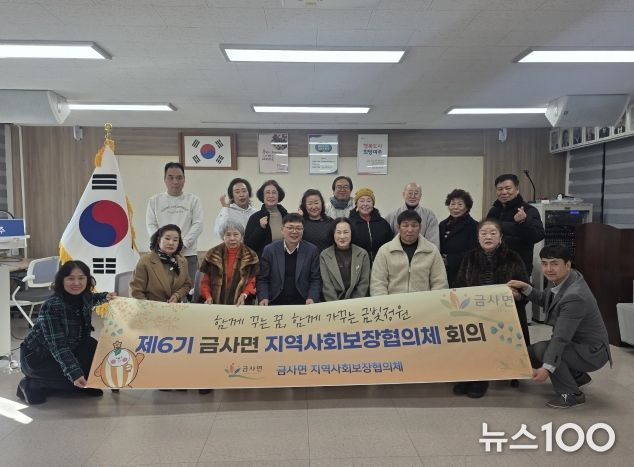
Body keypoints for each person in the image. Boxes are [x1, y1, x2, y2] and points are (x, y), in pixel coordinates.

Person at [508, 245, 612, 409]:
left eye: (554, 263)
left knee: (545, 351)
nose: (548, 269)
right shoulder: (563, 279)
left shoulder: (575, 296)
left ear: (567, 265)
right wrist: (526, 288)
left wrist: (547, 369)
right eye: (545, 263)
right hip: (577, 344)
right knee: (530, 353)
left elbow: (560, 339)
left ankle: (571, 395)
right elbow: (546, 300)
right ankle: (577, 376)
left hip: (593, 352)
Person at [17, 260, 116, 405]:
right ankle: (30, 383)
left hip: (66, 349)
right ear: (61, 280)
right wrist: (75, 373)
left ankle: (70, 383)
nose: (76, 283)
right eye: (70, 278)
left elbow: (93, 299)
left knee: (90, 345)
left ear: (88, 279)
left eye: (81, 278)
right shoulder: (52, 306)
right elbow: (58, 346)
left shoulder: (85, 296)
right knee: (70, 377)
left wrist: (105, 297)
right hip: (38, 358)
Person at [452, 219, 529, 399]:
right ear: (478, 237)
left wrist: (517, 295)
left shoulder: (513, 258)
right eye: (484, 233)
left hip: (504, 316)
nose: (488, 237)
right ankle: (468, 376)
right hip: (475, 313)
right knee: (470, 336)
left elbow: (526, 289)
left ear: (500, 237)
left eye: (493, 233)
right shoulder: (469, 258)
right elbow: (459, 286)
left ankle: (481, 379)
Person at [146, 162, 203, 285]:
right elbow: (151, 225)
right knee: (161, 290)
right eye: (170, 177)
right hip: (161, 255)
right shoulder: (154, 201)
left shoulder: (193, 200)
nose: (175, 181)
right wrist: (163, 245)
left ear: (184, 179)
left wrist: (182, 245)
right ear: (164, 179)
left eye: (179, 177)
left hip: (187, 254)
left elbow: (198, 225)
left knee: (190, 290)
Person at [371, 210, 448, 296]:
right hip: (393, 303)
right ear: (398, 227)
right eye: (405, 225)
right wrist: (385, 303)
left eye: (414, 225)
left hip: (424, 302)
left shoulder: (432, 250)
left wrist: (432, 302)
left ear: (420, 227)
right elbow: (378, 283)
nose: (410, 230)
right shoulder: (385, 251)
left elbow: (440, 282)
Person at [486, 174, 544, 277]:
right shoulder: (493, 211)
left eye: (508, 188)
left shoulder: (528, 210)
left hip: (519, 269)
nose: (504, 192)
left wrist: (523, 222)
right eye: (500, 189)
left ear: (517, 190)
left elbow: (538, 236)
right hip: (494, 267)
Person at [257, 213, 321, 306]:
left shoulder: (312, 250)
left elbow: (315, 279)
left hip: (303, 302)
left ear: (303, 230)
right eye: (290, 228)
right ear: (282, 230)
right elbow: (263, 279)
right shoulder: (270, 250)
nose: (294, 232)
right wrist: (263, 297)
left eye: (298, 228)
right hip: (274, 301)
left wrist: (312, 297)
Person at [199, 222, 259, 306]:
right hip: (215, 304)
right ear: (223, 236)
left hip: (240, 304)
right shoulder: (212, 254)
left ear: (242, 236)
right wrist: (207, 296)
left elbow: (252, 282)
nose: (232, 238)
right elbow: (205, 282)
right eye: (228, 235)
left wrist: (245, 294)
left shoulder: (250, 256)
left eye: (236, 234)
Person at [130, 224, 192, 303]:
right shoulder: (145, 261)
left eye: (175, 240)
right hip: (150, 307)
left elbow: (187, 285)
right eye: (167, 238)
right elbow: (135, 292)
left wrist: (177, 295)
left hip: (175, 307)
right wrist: (148, 307)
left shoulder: (182, 261)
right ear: (159, 240)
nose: (171, 243)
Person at [320, 217, 371, 301]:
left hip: (358, 302)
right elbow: (327, 286)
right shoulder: (324, 255)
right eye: (338, 232)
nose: (342, 236)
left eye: (346, 232)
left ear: (351, 233)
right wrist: (337, 305)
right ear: (333, 234)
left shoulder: (362, 254)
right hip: (333, 303)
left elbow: (364, 284)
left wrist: (353, 304)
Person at [439, 189, 479, 288]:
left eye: (460, 204)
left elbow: (474, 252)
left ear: (467, 207)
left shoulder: (474, 226)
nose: (455, 207)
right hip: (443, 272)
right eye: (452, 204)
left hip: (464, 273)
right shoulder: (442, 224)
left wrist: (449, 260)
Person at [384, 182, 440, 249]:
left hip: (423, 253)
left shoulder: (429, 216)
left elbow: (433, 243)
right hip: (397, 253)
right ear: (403, 194)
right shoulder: (392, 216)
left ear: (420, 195)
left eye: (416, 193)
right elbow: (386, 242)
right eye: (410, 193)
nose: (413, 196)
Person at [245, 180, 289, 258]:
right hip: (264, 261)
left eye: (274, 192)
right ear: (263, 196)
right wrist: (261, 228)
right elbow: (249, 245)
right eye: (267, 192)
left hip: (285, 259)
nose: (271, 195)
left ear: (279, 196)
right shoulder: (255, 217)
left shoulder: (286, 216)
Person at [348, 188, 393, 264]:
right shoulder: (350, 223)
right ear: (356, 204)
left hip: (381, 263)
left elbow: (390, 243)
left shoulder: (382, 223)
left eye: (369, 201)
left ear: (373, 204)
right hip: (357, 264)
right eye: (362, 201)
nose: (365, 204)